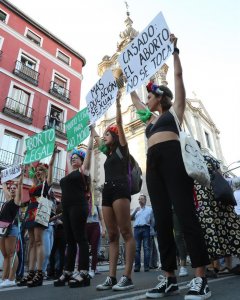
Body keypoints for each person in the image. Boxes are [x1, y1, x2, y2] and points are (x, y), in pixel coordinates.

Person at [130, 34, 211, 300]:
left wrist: (174, 52)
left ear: (161, 97)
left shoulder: (174, 111)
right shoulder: (150, 121)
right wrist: (127, 81)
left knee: (185, 215)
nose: (148, 98)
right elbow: (137, 102)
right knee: (162, 221)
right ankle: (169, 277)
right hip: (153, 166)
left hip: (173, 161)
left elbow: (178, 79)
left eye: (152, 94)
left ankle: (201, 277)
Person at [91, 91, 136, 291]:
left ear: (115, 136)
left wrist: (117, 102)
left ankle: (127, 276)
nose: (104, 137)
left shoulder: (122, 149)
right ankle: (111, 277)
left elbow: (118, 121)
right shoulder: (108, 154)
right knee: (111, 235)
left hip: (121, 189)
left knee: (126, 231)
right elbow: (96, 138)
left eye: (107, 134)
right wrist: (91, 125)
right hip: (108, 190)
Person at [54, 137, 93, 288]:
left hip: (78, 206)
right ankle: (68, 271)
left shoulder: (84, 171)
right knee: (69, 241)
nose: (73, 159)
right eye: (72, 158)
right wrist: (68, 142)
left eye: (76, 158)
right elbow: (69, 150)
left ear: (82, 161)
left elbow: (89, 152)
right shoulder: (69, 174)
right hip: (67, 208)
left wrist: (92, 131)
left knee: (80, 238)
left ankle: (83, 272)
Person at [194, 150, 240, 278]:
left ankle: (212, 267)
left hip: (204, 197)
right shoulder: (211, 160)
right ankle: (228, 265)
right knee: (229, 227)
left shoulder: (191, 159)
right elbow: (221, 176)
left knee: (209, 230)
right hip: (221, 195)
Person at [18, 147, 57, 287]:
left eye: (41, 170)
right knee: (32, 243)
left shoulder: (47, 184)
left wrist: (52, 157)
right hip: (31, 211)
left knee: (39, 242)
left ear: (45, 172)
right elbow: (30, 169)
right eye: (38, 170)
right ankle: (31, 272)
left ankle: (40, 272)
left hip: (41, 210)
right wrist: (27, 157)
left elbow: (51, 168)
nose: (38, 172)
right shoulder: (35, 184)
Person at [0, 168, 24, 288]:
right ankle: (4, 278)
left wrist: (21, 177)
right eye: (11, 188)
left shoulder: (17, 201)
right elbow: (3, 186)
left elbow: (19, 185)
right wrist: (3, 178)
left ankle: (11, 278)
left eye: (14, 188)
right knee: (5, 255)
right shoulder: (7, 201)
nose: (12, 189)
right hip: (2, 229)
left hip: (12, 228)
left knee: (11, 254)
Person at [131, 194, 153, 272]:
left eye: (142, 199)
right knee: (136, 249)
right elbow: (130, 218)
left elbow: (152, 221)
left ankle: (146, 267)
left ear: (145, 200)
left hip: (146, 228)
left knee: (146, 248)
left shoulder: (150, 209)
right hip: (136, 229)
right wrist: (135, 212)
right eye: (139, 199)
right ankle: (137, 267)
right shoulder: (136, 209)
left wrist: (152, 230)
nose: (140, 200)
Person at [86, 202, 106, 278]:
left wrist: (103, 229)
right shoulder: (83, 203)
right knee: (84, 249)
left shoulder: (97, 206)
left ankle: (93, 269)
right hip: (85, 226)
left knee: (94, 249)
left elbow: (101, 218)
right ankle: (84, 269)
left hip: (95, 226)